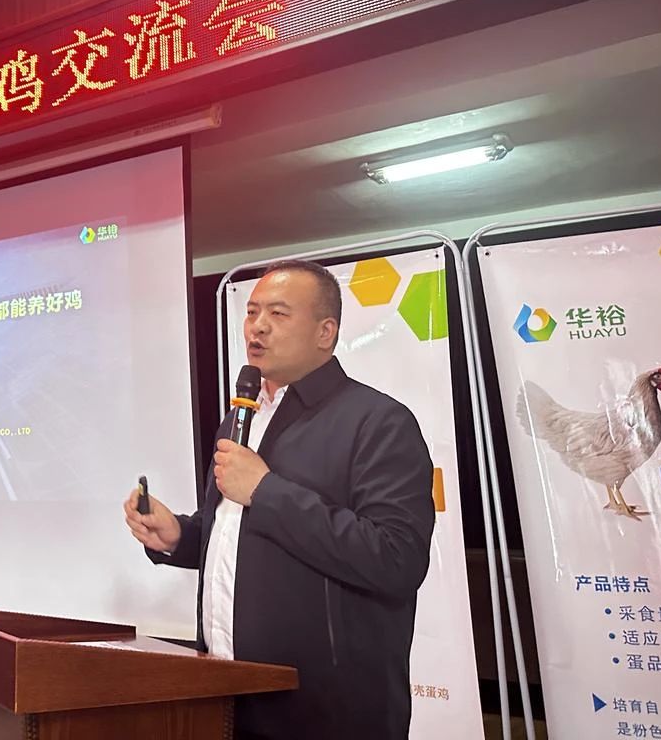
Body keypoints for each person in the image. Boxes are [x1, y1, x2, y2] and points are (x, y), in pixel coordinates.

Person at [124, 260, 435, 740]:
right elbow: (238, 534)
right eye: (252, 312)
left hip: (324, 712)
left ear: (325, 332)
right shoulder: (240, 419)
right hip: (228, 691)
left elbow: (397, 559)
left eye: (278, 313)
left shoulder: (378, 422)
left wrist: (266, 490)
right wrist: (180, 536)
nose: (258, 326)